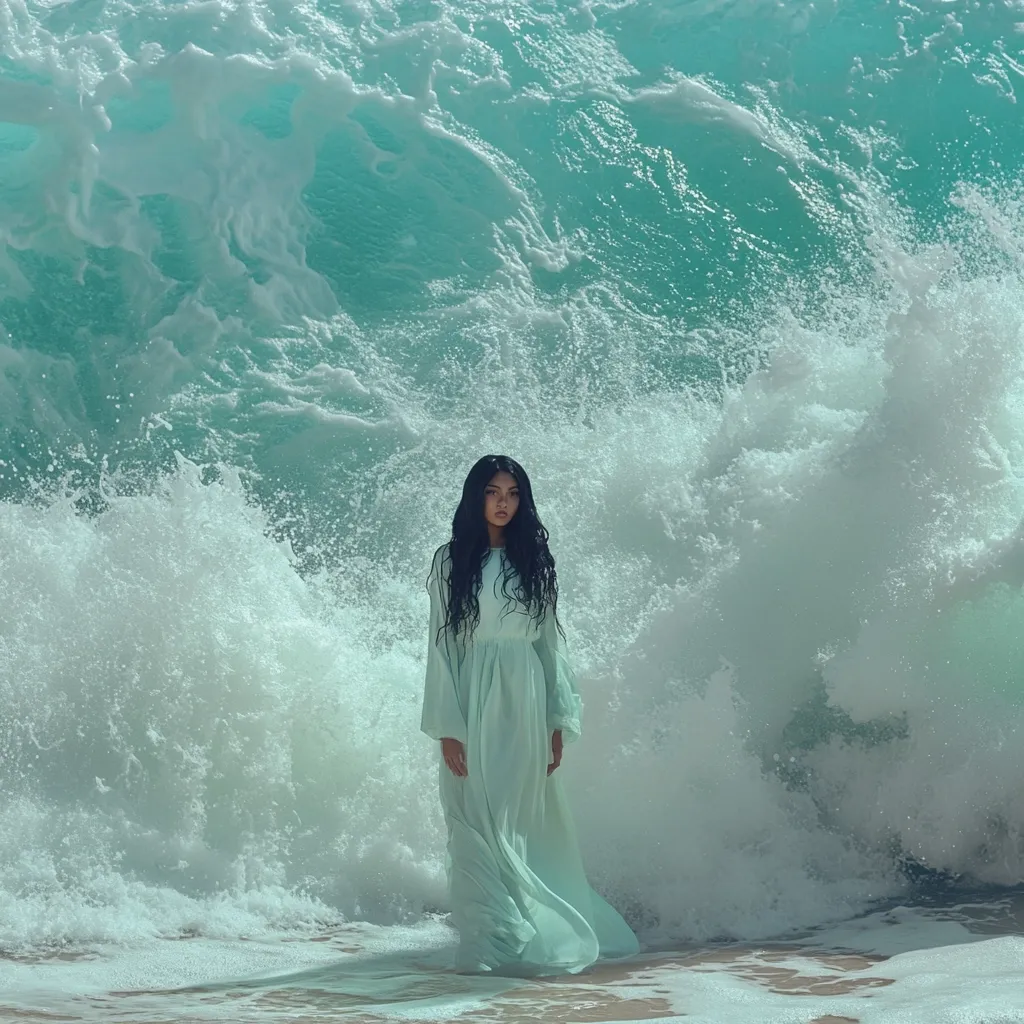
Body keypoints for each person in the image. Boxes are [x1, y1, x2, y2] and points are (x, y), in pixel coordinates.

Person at [421, 454, 639, 975]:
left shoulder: (534, 560)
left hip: (526, 699)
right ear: (476, 497)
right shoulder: (450, 562)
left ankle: (518, 937)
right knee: (475, 816)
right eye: (493, 492)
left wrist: (557, 718)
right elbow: (439, 647)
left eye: (513, 493)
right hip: (472, 698)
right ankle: (490, 940)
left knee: (512, 821)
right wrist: (450, 728)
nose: (502, 502)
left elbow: (548, 647)